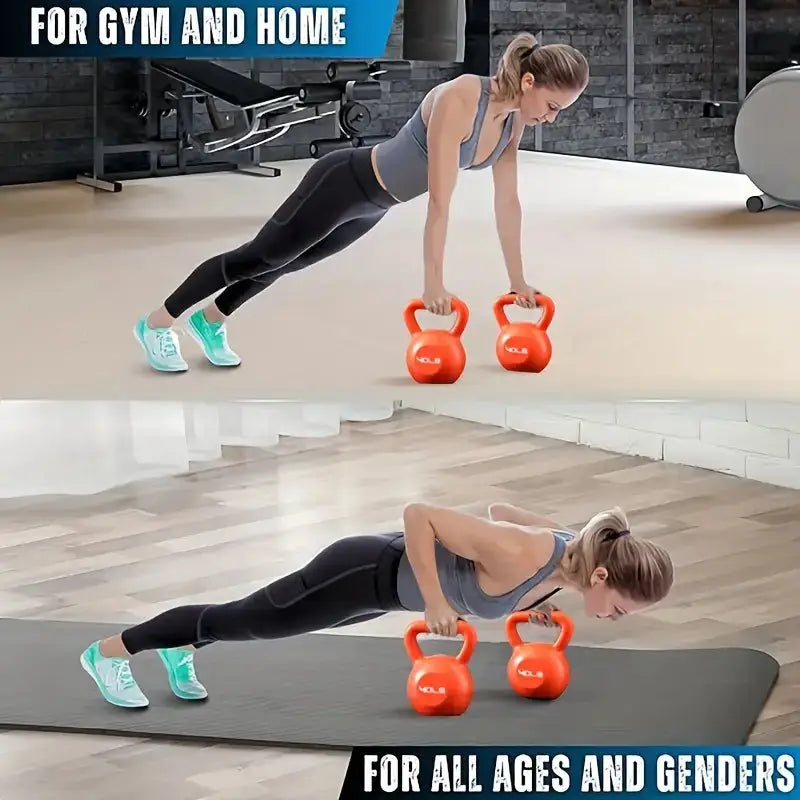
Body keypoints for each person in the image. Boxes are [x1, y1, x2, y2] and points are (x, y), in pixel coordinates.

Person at [133, 33, 590, 372]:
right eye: (551, 105)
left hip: (374, 205)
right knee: (261, 256)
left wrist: (518, 280)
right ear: (528, 81)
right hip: (345, 181)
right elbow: (440, 203)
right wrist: (433, 283)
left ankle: (212, 320)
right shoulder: (461, 98)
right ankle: (156, 323)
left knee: (286, 263)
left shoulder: (513, 126)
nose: (550, 118)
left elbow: (508, 205)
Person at [80, 502, 673, 708]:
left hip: (382, 593)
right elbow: (419, 515)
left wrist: (533, 603)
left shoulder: (567, 566)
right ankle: (109, 653)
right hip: (363, 570)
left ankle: (181, 649)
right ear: (601, 574)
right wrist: (438, 600)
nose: (611, 620)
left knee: (253, 622)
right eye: (618, 609)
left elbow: (500, 510)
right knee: (249, 621)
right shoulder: (529, 553)